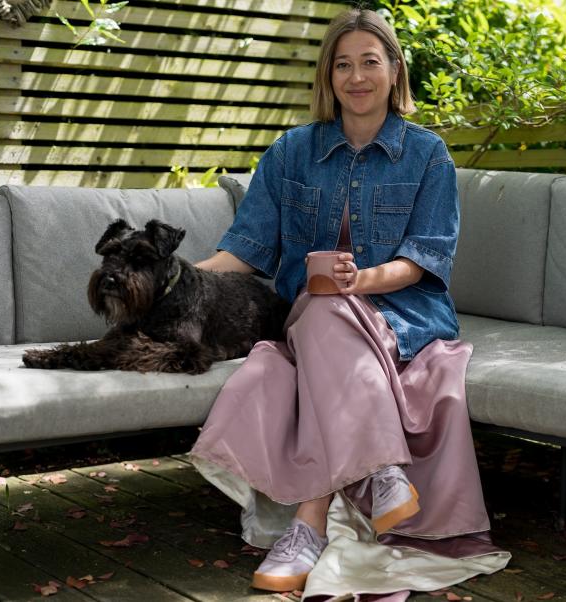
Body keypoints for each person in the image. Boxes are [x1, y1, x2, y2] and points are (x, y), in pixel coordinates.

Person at [190, 8, 508, 596]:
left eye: (370, 62)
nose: (356, 76)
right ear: (328, 76)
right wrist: (174, 279)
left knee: (330, 308)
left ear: (394, 71)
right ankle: (381, 469)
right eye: (343, 64)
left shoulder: (428, 155)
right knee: (321, 308)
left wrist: (359, 281)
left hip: (401, 314)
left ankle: (308, 526)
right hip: (311, 316)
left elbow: (423, 260)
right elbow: (248, 247)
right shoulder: (291, 152)